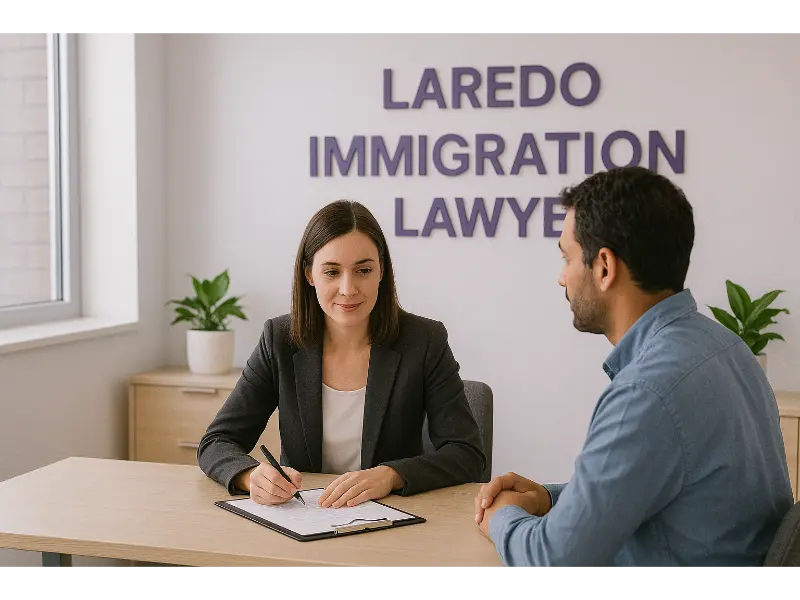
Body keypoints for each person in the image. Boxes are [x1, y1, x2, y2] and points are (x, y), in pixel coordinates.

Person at [474, 166, 794, 567]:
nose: (561, 278)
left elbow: (553, 559)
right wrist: (548, 498)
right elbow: (653, 487)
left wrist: (501, 516)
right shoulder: (727, 348)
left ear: (604, 267)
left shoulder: (648, 391)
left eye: (567, 257)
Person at [198, 199, 485, 509]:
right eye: (332, 272)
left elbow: (466, 454)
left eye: (363, 270)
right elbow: (216, 442)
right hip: (304, 517)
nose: (348, 289)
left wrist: (391, 475)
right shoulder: (279, 340)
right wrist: (250, 476)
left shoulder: (424, 340)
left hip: (393, 519)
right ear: (309, 274)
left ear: (382, 271)